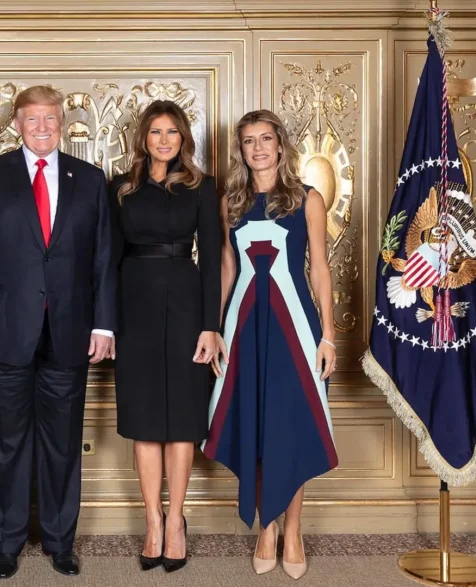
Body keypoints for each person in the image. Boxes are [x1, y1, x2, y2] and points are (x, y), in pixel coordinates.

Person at [0, 85, 116, 580]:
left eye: (50, 118)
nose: (42, 127)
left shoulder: (90, 179)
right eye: (32, 119)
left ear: (61, 124)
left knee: (63, 444)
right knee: (5, 444)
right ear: (17, 124)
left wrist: (104, 324)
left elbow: (104, 258)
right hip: (3, 331)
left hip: (70, 331)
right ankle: (6, 543)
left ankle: (60, 541)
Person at [202, 110, 339, 580]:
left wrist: (328, 335)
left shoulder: (307, 199)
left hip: (294, 328)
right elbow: (227, 268)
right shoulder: (230, 202)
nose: (258, 148)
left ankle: (293, 530)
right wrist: (216, 328)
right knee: (255, 423)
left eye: (265, 139)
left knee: (291, 426)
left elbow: (320, 269)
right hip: (244, 326)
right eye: (248, 141)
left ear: (280, 144)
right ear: (240, 150)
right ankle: (267, 527)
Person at [108, 100, 223, 573]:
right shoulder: (121, 188)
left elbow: (212, 259)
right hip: (133, 305)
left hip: (186, 305)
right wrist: (106, 323)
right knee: (145, 419)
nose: (163, 140)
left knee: (182, 419)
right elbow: (108, 259)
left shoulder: (202, 187)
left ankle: (176, 520)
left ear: (183, 139)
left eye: (172, 132)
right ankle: (151, 520)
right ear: (144, 138)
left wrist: (211, 326)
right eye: (155, 131)